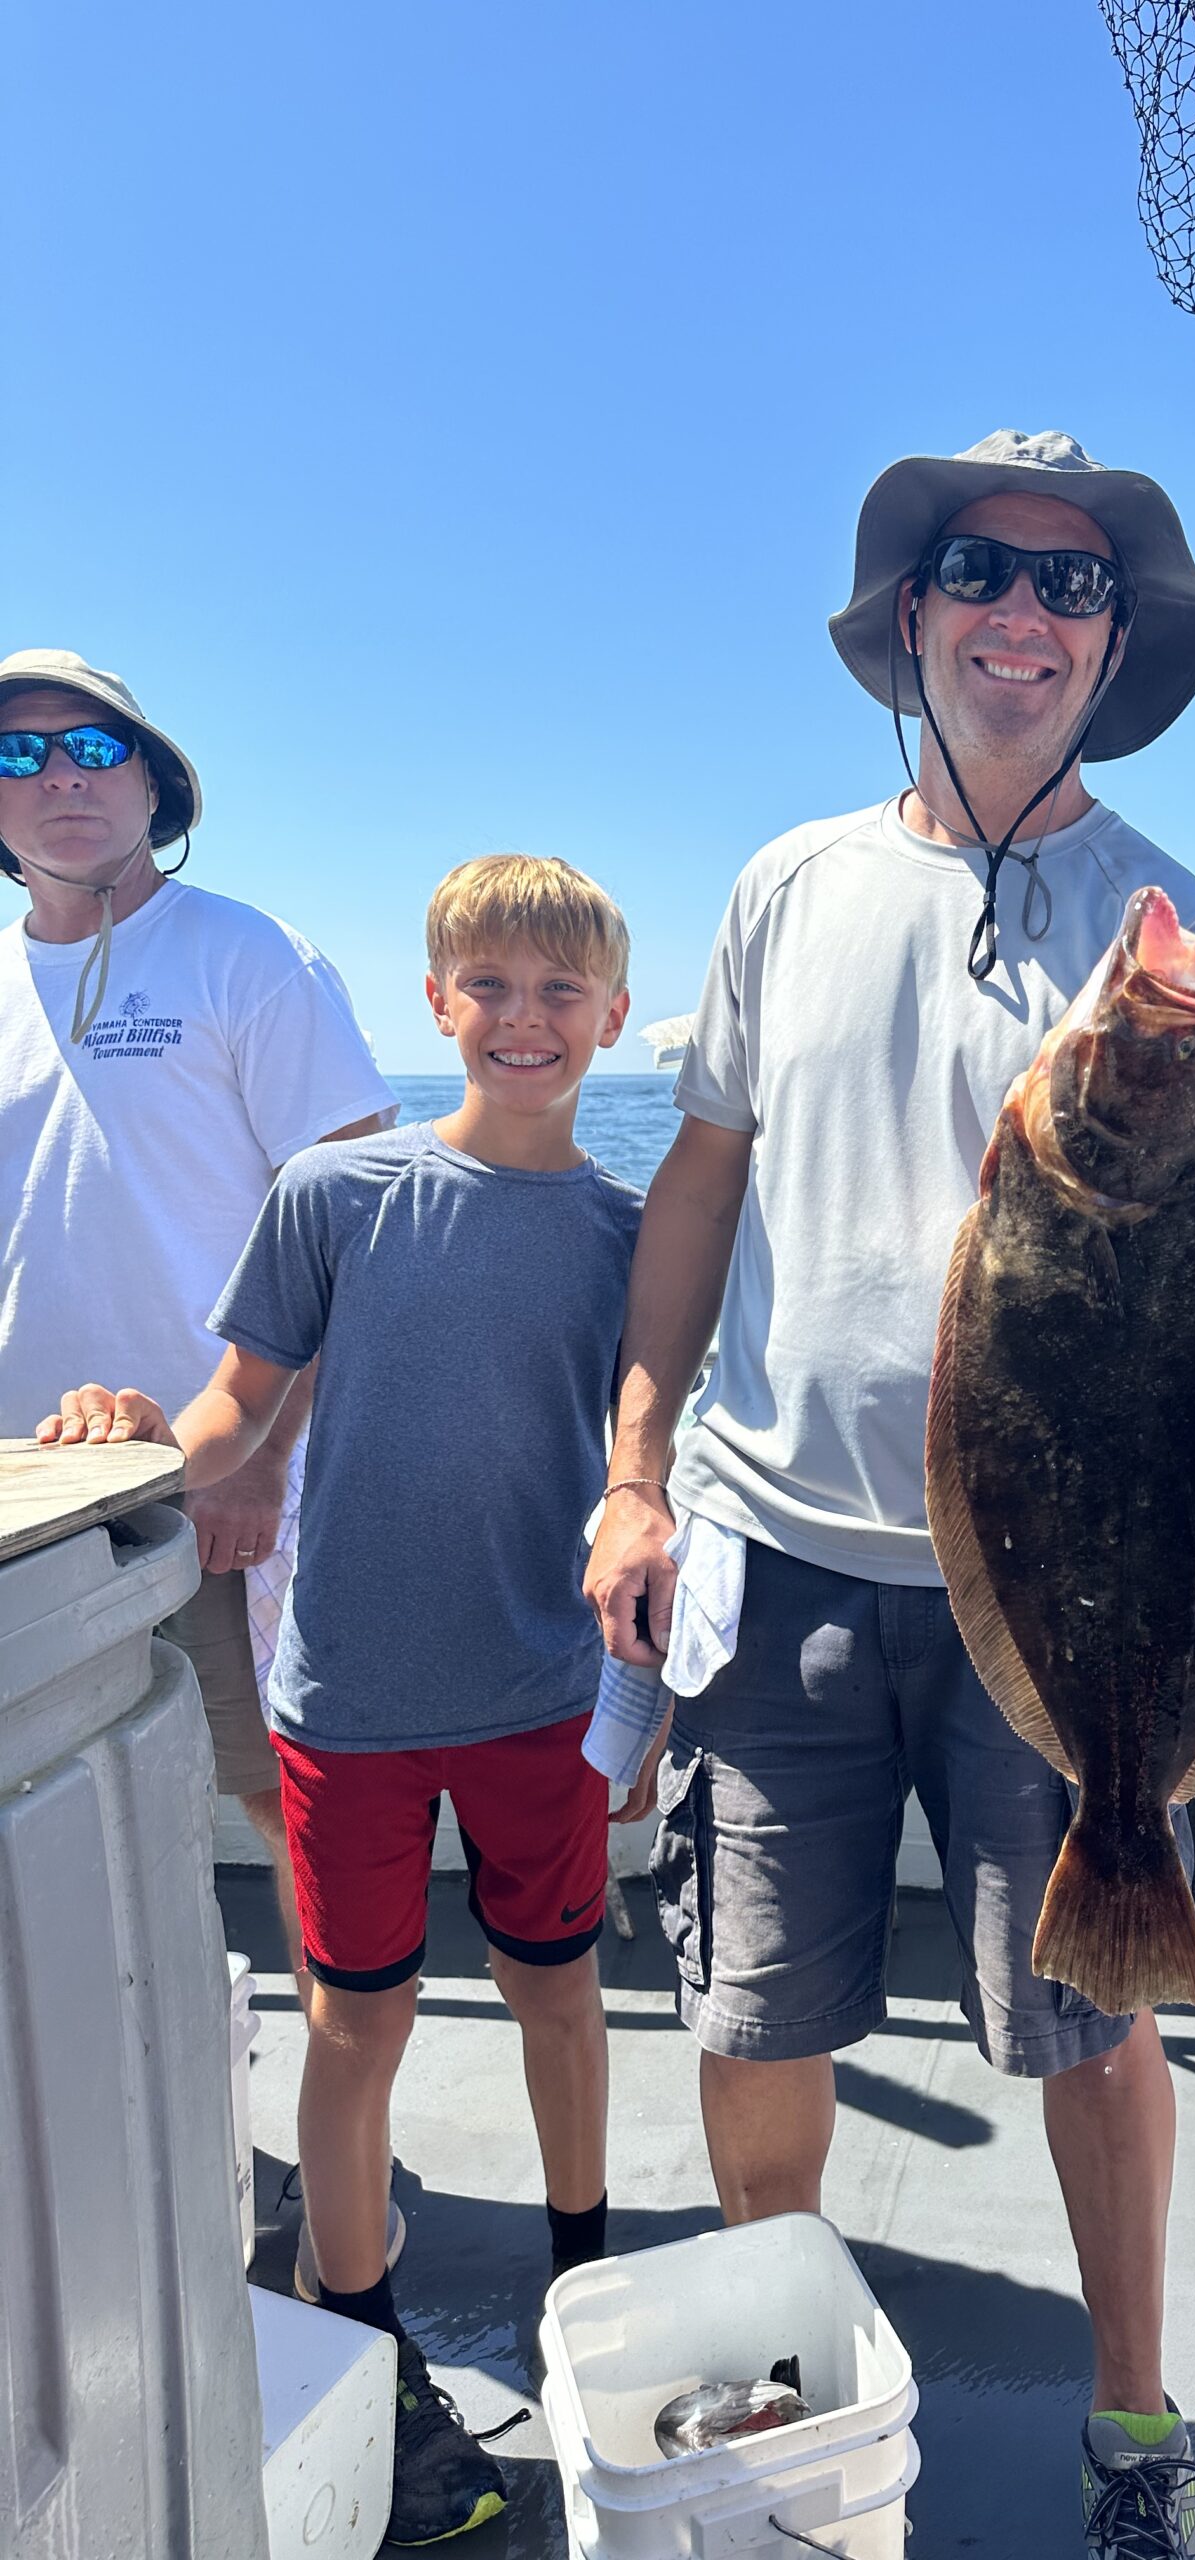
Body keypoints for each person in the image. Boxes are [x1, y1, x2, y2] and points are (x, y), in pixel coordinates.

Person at [585, 430, 1195, 2560]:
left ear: (1115, 642)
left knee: (1092, 2012)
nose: (1025, 614)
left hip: (1060, 1606)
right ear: (913, 618)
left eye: (1073, 586)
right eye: (983, 571)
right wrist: (634, 1466)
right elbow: (702, 1177)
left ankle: (1136, 2424)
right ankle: (783, 2417)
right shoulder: (787, 882)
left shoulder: (1176, 923)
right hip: (781, 1559)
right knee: (753, 2013)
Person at [42, 853, 642, 2547]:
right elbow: (238, 1401)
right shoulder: (337, 1197)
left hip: (540, 1693)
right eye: (491, 987)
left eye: (559, 993)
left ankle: (579, 2278)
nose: (525, 1020)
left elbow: (650, 1469)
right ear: (436, 1000)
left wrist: (642, 1695)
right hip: (343, 1705)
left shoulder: (625, 1233)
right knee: (353, 2023)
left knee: (560, 2000)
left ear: (609, 1015)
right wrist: (138, 1437)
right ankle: (363, 2330)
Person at [0, 649, 394, 2002]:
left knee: (288, 1812)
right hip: (31, 1502)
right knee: (55, 1811)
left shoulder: (249, 956)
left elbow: (356, 1221)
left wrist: (266, 1462)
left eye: (93, 750)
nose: (58, 777)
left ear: (155, 782)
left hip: (219, 1490)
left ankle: (353, 2165)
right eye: (19, 756)